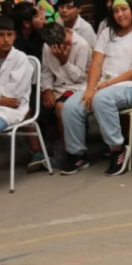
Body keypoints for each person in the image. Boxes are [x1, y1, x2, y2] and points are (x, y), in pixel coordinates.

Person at [60, 0, 132, 176]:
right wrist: (90, 89)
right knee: (70, 106)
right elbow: (96, 63)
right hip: (103, 86)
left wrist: (106, 85)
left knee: (101, 99)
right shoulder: (107, 33)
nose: (120, 14)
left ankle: (117, 148)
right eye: (116, 11)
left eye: (124, 9)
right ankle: (77, 154)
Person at [38, 22, 91, 166]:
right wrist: (47, 90)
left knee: (61, 107)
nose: (59, 48)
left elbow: (79, 77)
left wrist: (64, 61)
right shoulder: (47, 47)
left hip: (79, 86)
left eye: (61, 42)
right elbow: (46, 71)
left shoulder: (81, 45)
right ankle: (47, 150)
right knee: (40, 104)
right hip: (58, 86)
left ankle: (70, 151)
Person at [0, 15, 34, 142]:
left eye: (9, 34)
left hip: (10, 111)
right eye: (1, 35)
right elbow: (2, 98)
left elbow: (13, 97)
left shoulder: (20, 59)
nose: (6, 39)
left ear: (15, 36)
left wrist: (1, 98)